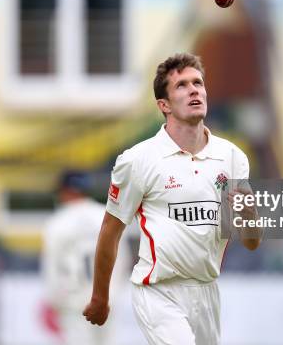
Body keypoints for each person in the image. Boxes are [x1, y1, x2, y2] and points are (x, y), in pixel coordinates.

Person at [83, 53, 261, 344]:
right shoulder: (138, 160)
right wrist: (100, 297)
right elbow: (110, 231)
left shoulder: (232, 157)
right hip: (158, 290)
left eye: (198, 83)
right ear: (163, 105)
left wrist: (249, 212)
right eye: (181, 85)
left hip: (206, 292)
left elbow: (252, 242)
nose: (194, 90)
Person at [43, 171, 129, 345]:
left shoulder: (57, 222)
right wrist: (113, 293)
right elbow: (123, 259)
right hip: (106, 299)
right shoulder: (107, 216)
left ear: (65, 191)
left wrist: (54, 299)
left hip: (73, 301)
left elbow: (53, 266)